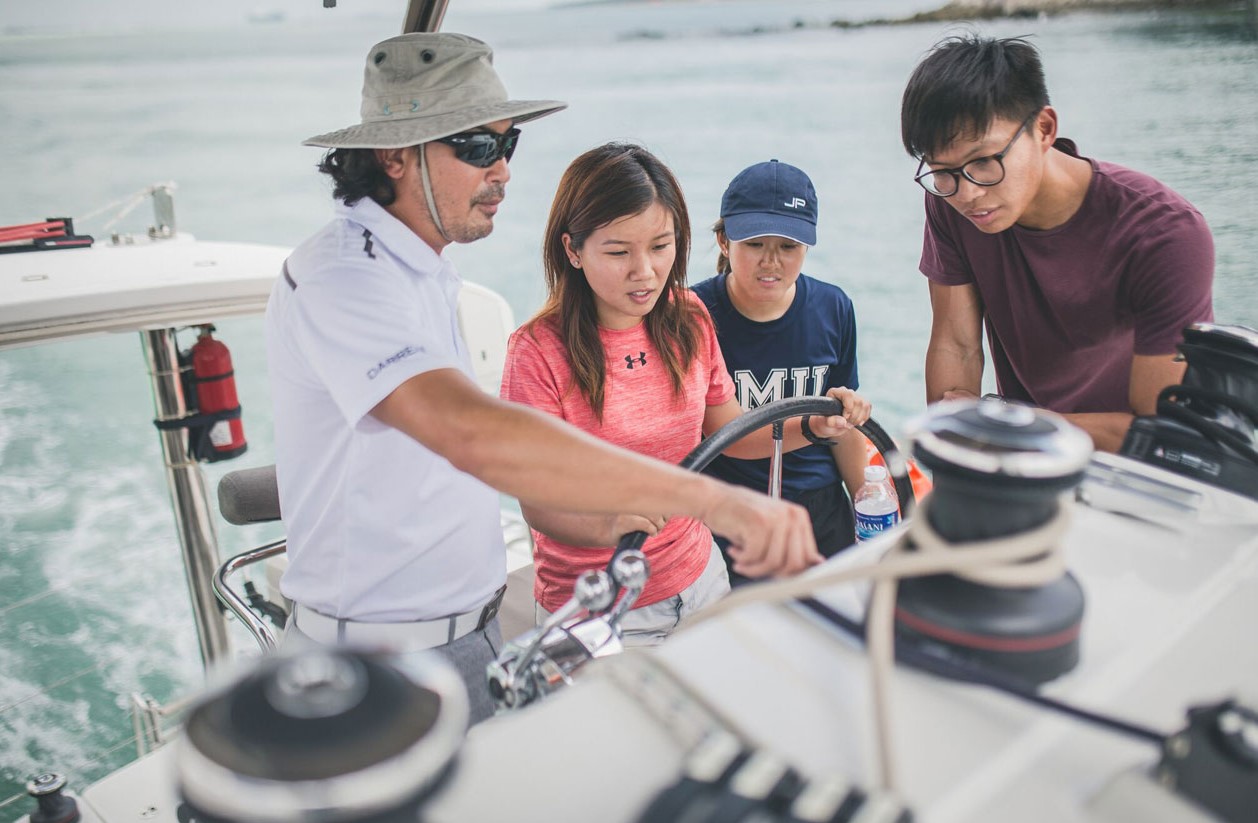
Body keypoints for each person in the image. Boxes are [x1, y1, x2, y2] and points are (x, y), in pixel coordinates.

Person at [266, 34, 827, 725]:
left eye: (508, 145)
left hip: (471, 635)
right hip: (379, 662)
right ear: (395, 155)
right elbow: (473, 432)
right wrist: (717, 503)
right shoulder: (345, 277)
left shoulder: (423, 269)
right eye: (476, 147)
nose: (501, 170)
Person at [500, 143, 870, 643]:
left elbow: (732, 435)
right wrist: (612, 526)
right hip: (598, 607)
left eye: (660, 246)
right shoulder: (536, 351)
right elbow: (538, 503)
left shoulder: (689, 317)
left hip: (703, 580)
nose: (645, 271)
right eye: (617, 251)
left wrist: (813, 427)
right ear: (572, 250)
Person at [900, 33, 1214, 453]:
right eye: (942, 171)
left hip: (1147, 475)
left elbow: (1155, 429)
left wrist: (1006, 423)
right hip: (1025, 462)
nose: (967, 193)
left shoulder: (1165, 234)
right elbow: (955, 345)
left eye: (983, 162)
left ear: (1044, 128)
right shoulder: (951, 203)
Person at [692, 160, 867, 583]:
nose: (771, 261)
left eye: (788, 246)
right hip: (726, 511)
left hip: (818, 507)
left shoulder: (834, 307)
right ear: (723, 240)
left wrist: (866, 502)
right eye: (754, 243)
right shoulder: (691, 315)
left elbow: (844, 428)